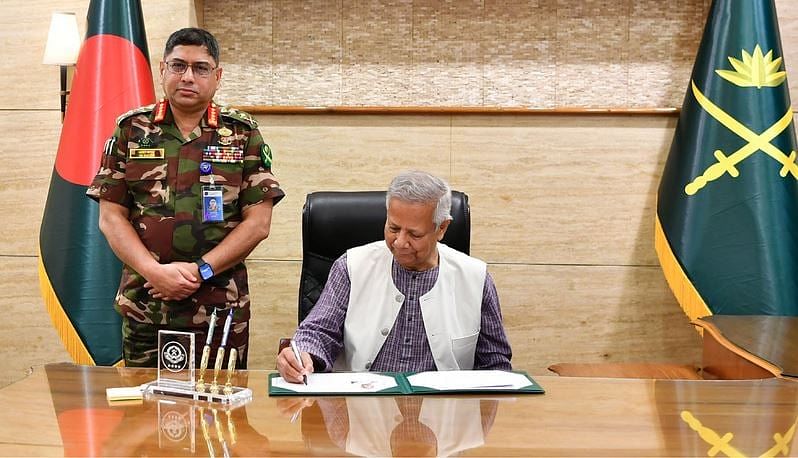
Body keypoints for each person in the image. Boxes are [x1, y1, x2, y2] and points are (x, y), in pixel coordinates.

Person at [86, 27, 284, 367]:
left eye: (200, 68)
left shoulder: (241, 133)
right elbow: (111, 216)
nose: (188, 76)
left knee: (221, 410)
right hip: (146, 304)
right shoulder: (131, 130)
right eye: (178, 66)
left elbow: (258, 224)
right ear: (162, 69)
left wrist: (200, 272)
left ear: (217, 76)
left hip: (219, 306)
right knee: (144, 410)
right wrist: (154, 272)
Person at [277, 170, 511, 382]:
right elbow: (317, 332)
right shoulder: (351, 267)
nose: (400, 242)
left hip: (447, 418)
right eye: (393, 228)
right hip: (361, 414)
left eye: (414, 234)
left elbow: (496, 365)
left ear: (442, 228)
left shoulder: (475, 278)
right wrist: (302, 355)